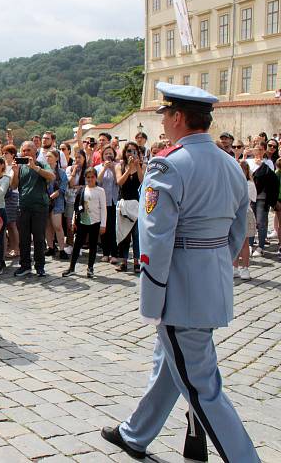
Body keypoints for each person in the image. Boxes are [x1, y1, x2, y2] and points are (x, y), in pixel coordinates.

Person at [101, 82, 258, 462]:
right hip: (212, 283)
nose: (164, 123)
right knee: (171, 362)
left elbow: (155, 241)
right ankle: (135, 434)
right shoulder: (229, 163)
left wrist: (152, 299)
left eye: (166, 116)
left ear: (177, 118)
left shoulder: (168, 164)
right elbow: (240, 229)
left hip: (180, 291)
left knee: (203, 388)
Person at [12, 140, 56, 277]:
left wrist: (35, 168)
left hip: (39, 207)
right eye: (23, 151)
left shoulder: (41, 164)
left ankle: (40, 266)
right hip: (23, 206)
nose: (25, 153)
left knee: (38, 238)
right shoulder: (20, 167)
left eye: (28, 150)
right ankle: (25, 266)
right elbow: (14, 186)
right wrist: (15, 172)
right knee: (24, 239)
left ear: (35, 151)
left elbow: (52, 177)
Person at [62, 167, 106, 278]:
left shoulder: (100, 191)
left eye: (92, 177)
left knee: (93, 245)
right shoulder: (82, 190)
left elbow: (103, 208)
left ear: (96, 178)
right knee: (77, 245)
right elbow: (76, 207)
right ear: (85, 178)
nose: (90, 179)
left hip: (95, 222)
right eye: (88, 177)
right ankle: (72, 267)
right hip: (82, 221)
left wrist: (103, 224)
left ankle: (90, 267)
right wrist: (73, 220)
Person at [115, 141, 145, 273]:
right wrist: (128, 170)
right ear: (125, 152)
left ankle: (137, 261)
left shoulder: (142, 165)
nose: (131, 153)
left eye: (134, 150)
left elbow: (142, 181)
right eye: (129, 151)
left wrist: (137, 166)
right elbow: (119, 182)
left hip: (137, 203)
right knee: (124, 234)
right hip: (124, 203)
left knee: (137, 234)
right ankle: (124, 261)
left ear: (137, 152)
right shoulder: (120, 166)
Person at [95, 145, 119, 263]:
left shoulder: (118, 167)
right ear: (102, 156)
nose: (108, 156)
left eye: (110, 153)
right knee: (103, 228)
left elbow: (118, 182)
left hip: (114, 201)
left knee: (113, 228)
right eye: (106, 154)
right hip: (102, 202)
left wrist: (113, 169)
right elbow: (96, 182)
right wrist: (104, 168)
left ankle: (114, 253)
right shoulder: (98, 168)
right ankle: (105, 252)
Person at [233, 161, 255, 280]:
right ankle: (234, 267)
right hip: (234, 214)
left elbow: (251, 198)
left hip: (245, 213)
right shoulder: (232, 182)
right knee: (234, 241)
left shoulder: (249, 184)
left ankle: (245, 268)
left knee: (244, 243)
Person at [44, 150, 68, 260]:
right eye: (47, 156)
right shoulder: (44, 171)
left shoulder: (61, 172)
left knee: (57, 226)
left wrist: (56, 194)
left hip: (57, 202)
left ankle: (62, 249)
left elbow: (63, 187)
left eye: (50, 156)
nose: (48, 158)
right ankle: (51, 247)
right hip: (45, 202)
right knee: (48, 226)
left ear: (56, 158)